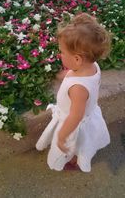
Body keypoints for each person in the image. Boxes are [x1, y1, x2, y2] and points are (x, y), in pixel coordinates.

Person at [36, 13, 111, 172]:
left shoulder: (78, 88)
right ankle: (77, 155)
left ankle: (76, 160)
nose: (60, 54)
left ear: (77, 59)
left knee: (76, 144)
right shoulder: (93, 66)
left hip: (75, 124)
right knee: (82, 143)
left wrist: (63, 134)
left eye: (62, 52)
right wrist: (67, 74)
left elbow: (76, 115)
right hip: (90, 117)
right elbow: (81, 76)